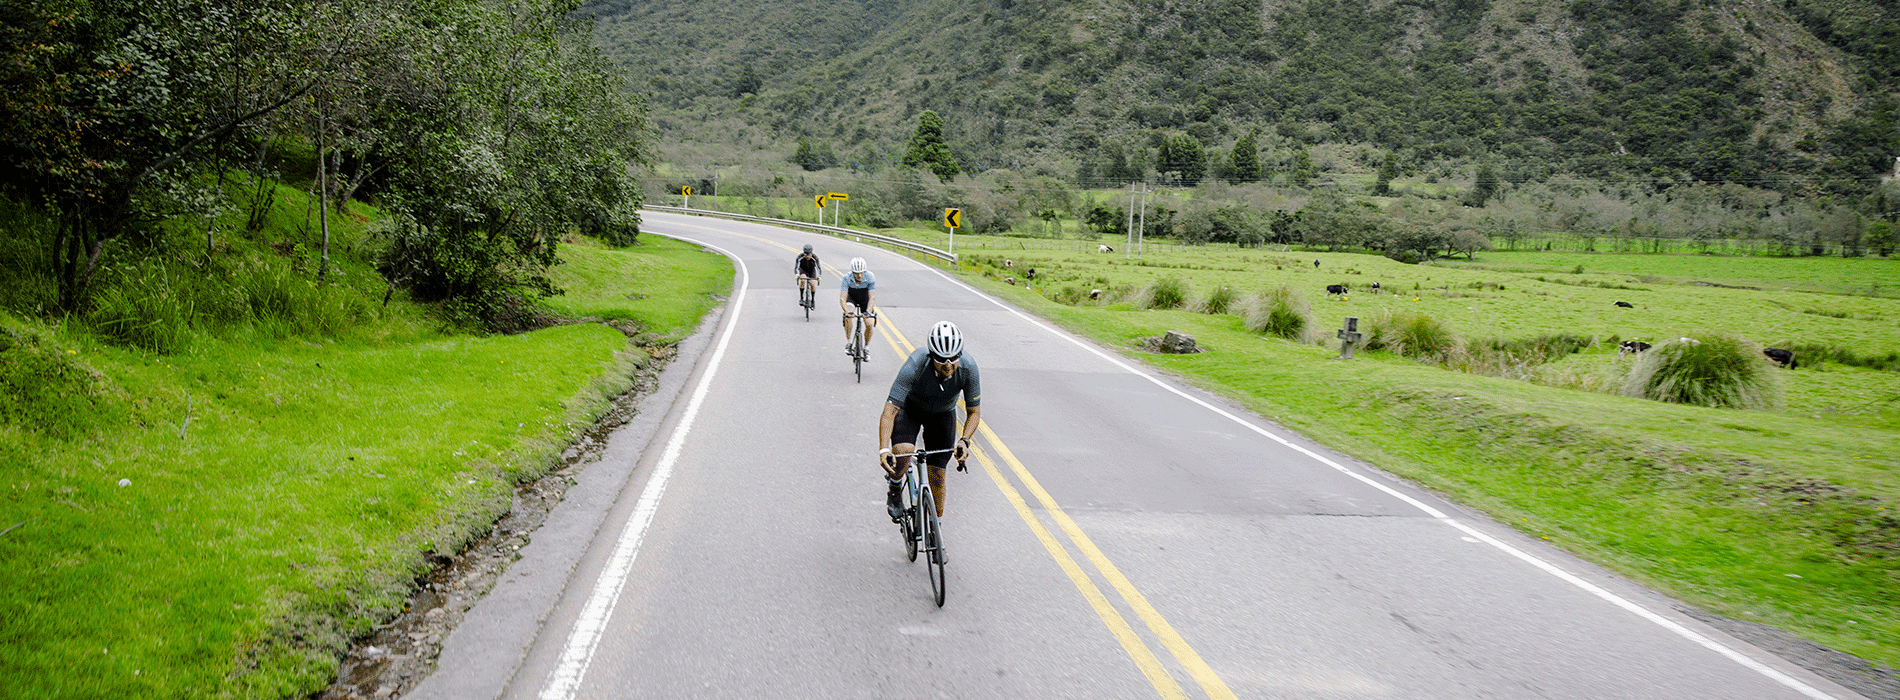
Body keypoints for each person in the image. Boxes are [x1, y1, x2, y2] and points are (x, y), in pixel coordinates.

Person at [879, 321, 982, 541]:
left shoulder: (969, 368)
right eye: (941, 359)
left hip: (943, 414)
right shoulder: (915, 364)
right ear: (930, 355)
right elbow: (889, 410)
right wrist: (883, 449)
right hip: (911, 409)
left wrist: (965, 441)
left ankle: (937, 530)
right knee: (904, 450)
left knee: (938, 475)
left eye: (954, 358)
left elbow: (974, 412)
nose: (948, 365)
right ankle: (895, 486)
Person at [840, 257, 877, 358]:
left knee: (869, 323)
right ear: (852, 272)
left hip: (865, 298)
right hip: (851, 297)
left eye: (861, 272)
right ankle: (848, 343)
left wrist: (868, 312)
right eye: (856, 273)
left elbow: (872, 297)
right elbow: (843, 298)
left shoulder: (870, 277)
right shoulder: (846, 277)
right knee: (848, 317)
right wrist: (847, 311)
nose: (859, 275)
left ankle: (866, 348)